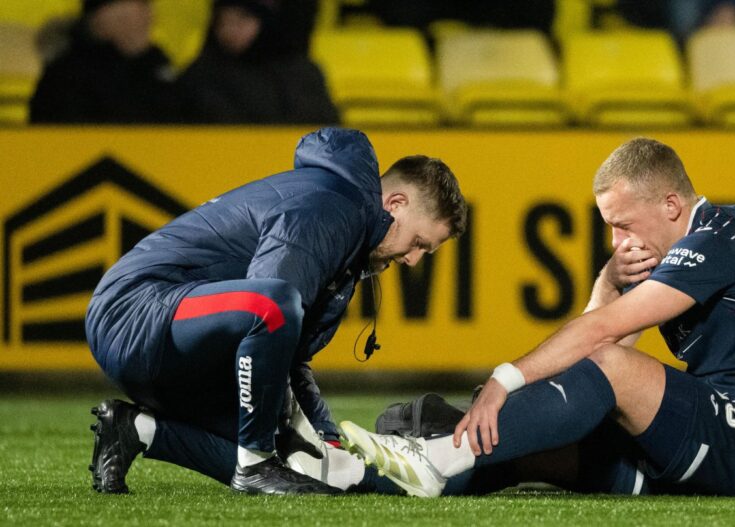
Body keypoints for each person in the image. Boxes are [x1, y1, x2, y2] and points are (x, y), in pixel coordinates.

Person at [340, 137, 735, 497]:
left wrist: (503, 381)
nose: (618, 242)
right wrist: (610, 282)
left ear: (671, 205)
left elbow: (603, 338)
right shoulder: (686, 240)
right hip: (724, 432)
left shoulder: (717, 240)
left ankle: (435, 454)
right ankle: (360, 476)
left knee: (607, 370)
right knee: (531, 445)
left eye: (623, 225)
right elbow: (584, 373)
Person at [85, 127, 467, 495]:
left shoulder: (349, 236)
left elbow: (290, 357)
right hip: (132, 311)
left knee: (322, 472)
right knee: (274, 308)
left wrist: (326, 438)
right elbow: (269, 306)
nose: (414, 261)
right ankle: (254, 465)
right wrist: (293, 433)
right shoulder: (332, 205)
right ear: (395, 204)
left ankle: (136, 429)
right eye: (418, 243)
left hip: (177, 342)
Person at [177, 0, 338, 124]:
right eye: (223, 21)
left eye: (242, 19)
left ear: (263, 21)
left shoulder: (299, 72)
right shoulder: (201, 74)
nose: (231, 29)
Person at [29, 0, 180, 123]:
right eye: (140, 6)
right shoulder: (68, 73)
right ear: (104, 14)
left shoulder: (155, 63)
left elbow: (183, 116)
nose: (149, 16)